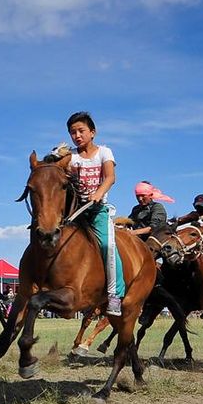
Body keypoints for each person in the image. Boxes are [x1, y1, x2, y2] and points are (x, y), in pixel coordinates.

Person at [66, 111, 125, 316]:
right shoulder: (71, 157)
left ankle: (115, 295)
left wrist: (99, 193)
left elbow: (110, 177)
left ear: (93, 132)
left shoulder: (104, 152)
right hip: (77, 212)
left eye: (81, 131)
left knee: (108, 246)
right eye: (73, 132)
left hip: (98, 210)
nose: (77, 135)